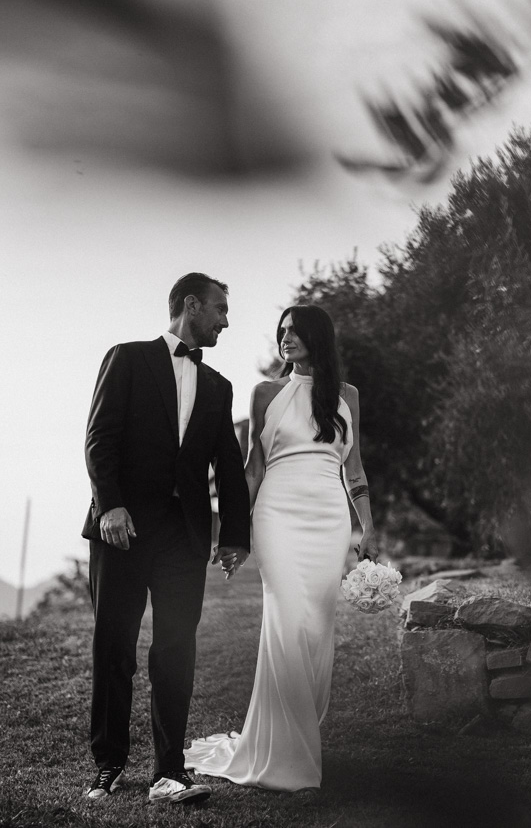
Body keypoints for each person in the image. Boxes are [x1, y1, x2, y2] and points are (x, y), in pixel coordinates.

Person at [184, 303, 375, 791]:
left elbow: (354, 469)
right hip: (277, 517)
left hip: (329, 522)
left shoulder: (348, 396)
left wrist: (367, 528)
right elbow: (253, 469)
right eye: (282, 331)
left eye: (294, 331)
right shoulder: (266, 393)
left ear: (317, 338)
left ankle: (298, 731)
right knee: (287, 622)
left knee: (316, 630)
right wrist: (234, 532)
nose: (285, 338)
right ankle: (288, 756)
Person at [81, 272, 251, 804]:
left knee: (176, 650)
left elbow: (228, 465)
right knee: (115, 647)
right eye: (220, 310)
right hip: (123, 529)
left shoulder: (218, 386)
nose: (226, 321)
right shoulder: (127, 358)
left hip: (184, 537)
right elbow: (99, 439)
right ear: (191, 305)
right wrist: (110, 505)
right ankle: (108, 765)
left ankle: (170, 771)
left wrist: (235, 536)